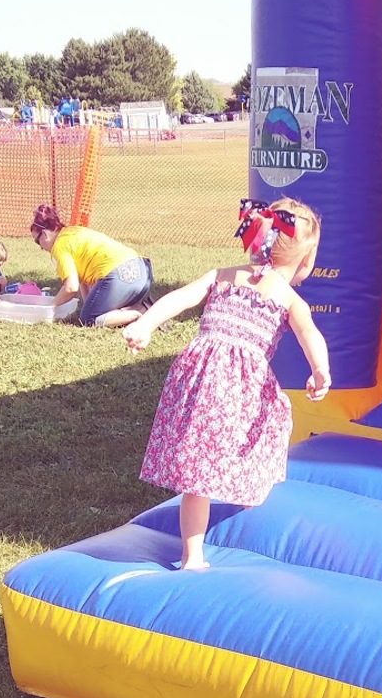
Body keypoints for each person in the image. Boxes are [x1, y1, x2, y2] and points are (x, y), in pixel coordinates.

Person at [123, 197, 330, 570]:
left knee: (198, 477)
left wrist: (145, 324)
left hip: (201, 382)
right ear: (305, 260)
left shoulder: (222, 275)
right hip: (239, 389)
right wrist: (320, 370)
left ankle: (193, 556)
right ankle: (248, 492)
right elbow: (309, 334)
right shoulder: (290, 298)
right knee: (271, 424)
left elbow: (181, 298)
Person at [29, 203, 154, 327]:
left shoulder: (60, 246)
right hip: (143, 272)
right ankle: (138, 309)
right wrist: (88, 305)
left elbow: (71, 287)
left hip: (120, 277)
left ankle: (143, 311)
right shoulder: (73, 231)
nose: (40, 247)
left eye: (37, 241)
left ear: (44, 234)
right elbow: (82, 281)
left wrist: (49, 306)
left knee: (89, 319)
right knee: (93, 312)